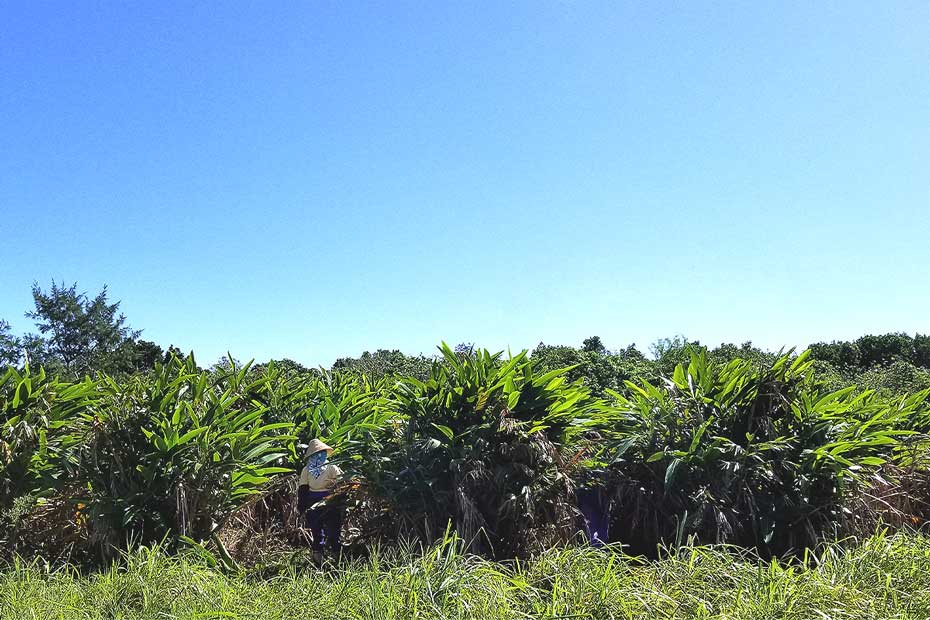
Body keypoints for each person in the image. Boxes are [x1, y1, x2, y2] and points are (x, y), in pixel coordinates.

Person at [296, 438, 344, 558]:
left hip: (330, 500)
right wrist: (302, 507)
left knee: (333, 530)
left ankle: (336, 556)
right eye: (317, 453)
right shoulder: (307, 470)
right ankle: (319, 558)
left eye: (322, 453)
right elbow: (303, 489)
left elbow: (341, 483)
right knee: (317, 531)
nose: (320, 456)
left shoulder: (331, 467)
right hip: (314, 501)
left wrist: (340, 500)